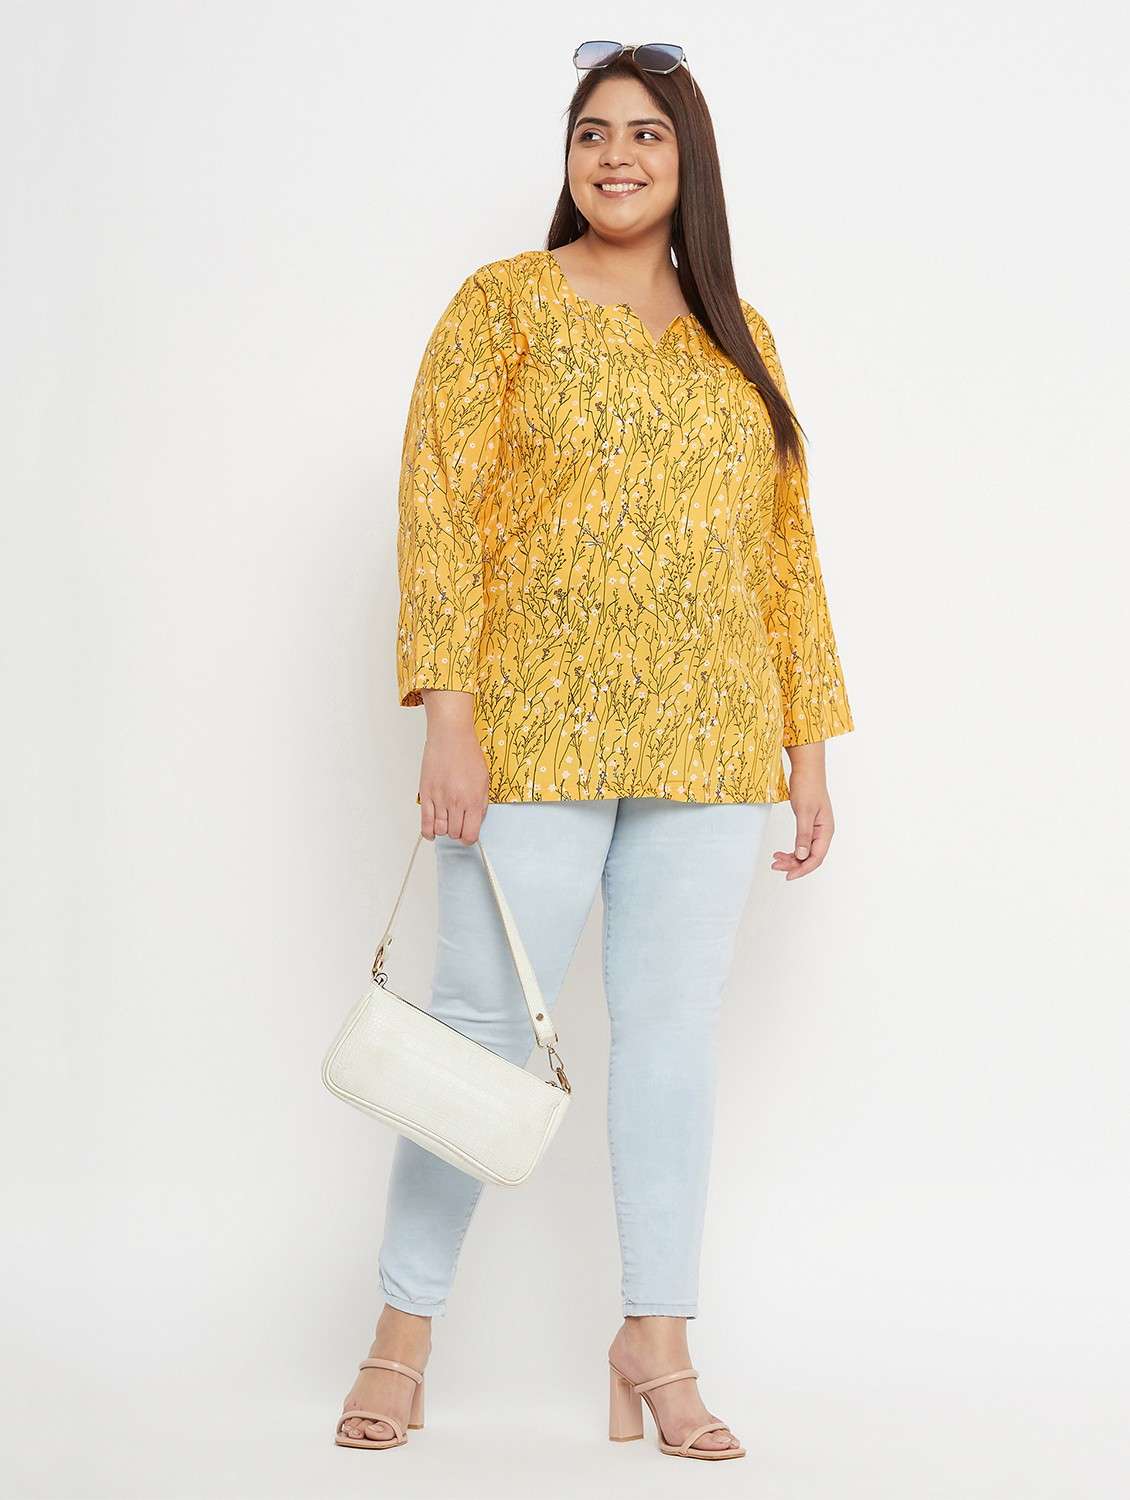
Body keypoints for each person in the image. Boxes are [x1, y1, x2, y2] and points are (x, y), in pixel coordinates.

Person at [336, 42, 854, 1462]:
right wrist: (448, 716)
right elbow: (437, 507)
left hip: (713, 741)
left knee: (670, 1044)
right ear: (568, 157)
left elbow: (783, 552)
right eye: (592, 132)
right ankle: (400, 1335)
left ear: (689, 159)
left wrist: (807, 748)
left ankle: (656, 1341)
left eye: (645, 133)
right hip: (533, 734)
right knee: (479, 1035)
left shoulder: (739, 333)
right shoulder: (502, 304)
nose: (615, 155)